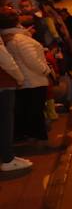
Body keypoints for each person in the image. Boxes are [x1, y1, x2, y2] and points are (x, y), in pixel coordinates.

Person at [0, 10, 52, 145]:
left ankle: (29, 138)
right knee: (34, 112)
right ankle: (38, 141)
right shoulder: (19, 39)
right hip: (32, 80)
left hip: (25, 81)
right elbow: (32, 60)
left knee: (25, 111)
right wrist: (46, 70)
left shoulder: (8, 38)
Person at [0, 15, 32, 174]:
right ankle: (8, 158)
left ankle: (8, 156)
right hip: (3, 83)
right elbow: (4, 59)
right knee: (5, 121)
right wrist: (19, 76)